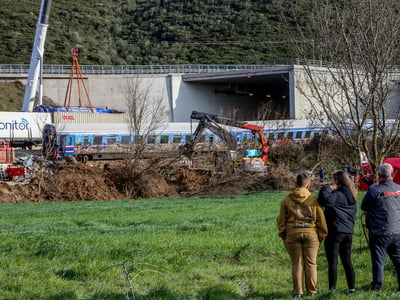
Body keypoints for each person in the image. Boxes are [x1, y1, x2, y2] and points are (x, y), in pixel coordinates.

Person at [277, 172, 328, 299]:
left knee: (297, 263)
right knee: (311, 263)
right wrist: (321, 235)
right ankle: (312, 291)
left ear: (295, 184)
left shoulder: (286, 199)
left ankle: (297, 293)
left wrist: (283, 234)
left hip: (292, 233)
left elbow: (281, 221)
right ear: (308, 185)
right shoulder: (313, 199)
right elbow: (321, 220)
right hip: (311, 234)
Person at [361, 163, 400, 292]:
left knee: (378, 261)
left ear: (379, 175)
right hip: (397, 231)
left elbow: (363, 206)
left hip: (379, 232)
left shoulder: (374, 190)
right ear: (392, 174)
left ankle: (377, 286)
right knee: (398, 260)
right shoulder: (399, 188)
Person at [318, 171, 357, 294]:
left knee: (333, 262)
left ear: (337, 181)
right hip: (348, 232)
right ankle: (351, 287)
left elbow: (324, 200)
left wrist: (328, 188)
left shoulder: (338, 194)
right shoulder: (352, 195)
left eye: (334, 180)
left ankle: (332, 289)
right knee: (347, 260)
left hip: (335, 231)